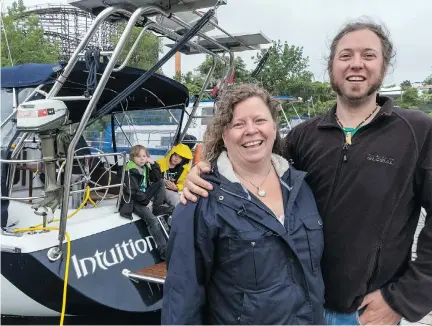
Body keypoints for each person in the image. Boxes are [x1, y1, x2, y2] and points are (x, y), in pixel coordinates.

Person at [180, 19, 432, 325]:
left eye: (368, 55)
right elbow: (252, 167)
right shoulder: (303, 136)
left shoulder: (417, 132)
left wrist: (402, 298)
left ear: (384, 64)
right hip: (296, 309)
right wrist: (204, 174)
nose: (356, 64)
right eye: (345, 55)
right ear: (331, 66)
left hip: (365, 313)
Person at [161, 84, 325, 325]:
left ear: (274, 127)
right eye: (238, 124)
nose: (251, 130)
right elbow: (182, 298)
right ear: (224, 134)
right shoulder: (201, 200)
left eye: (260, 120)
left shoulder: (300, 187)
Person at [119, 145, 173, 260]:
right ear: (132, 157)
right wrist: (147, 201)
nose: (142, 159)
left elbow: (157, 177)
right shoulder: (129, 170)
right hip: (133, 201)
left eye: (144, 156)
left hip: (143, 196)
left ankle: (157, 206)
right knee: (153, 221)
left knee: (160, 182)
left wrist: (153, 163)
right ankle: (163, 250)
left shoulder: (145, 167)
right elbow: (132, 191)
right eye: (138, 156)